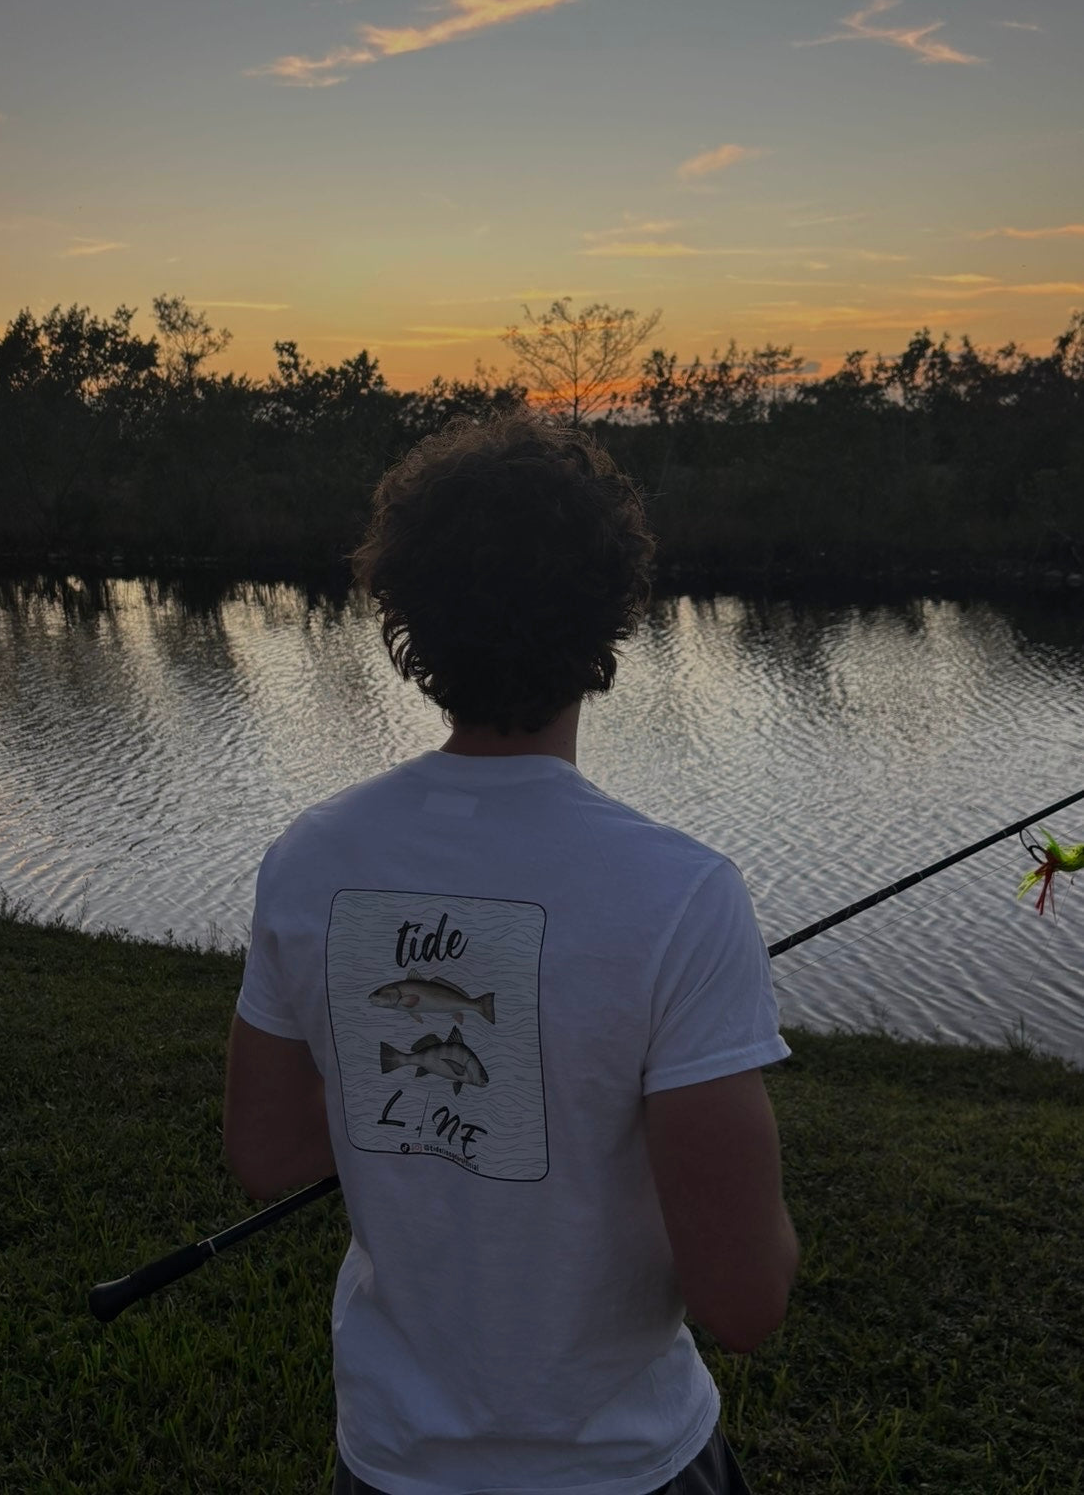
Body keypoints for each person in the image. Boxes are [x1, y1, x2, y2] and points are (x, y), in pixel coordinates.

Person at [224, 410, 799, 1495]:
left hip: (390, 1463)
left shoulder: (311, 858)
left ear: (407, 619)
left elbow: (268, 1152)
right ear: (611, 615)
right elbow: (744, 1302)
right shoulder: (682, 895)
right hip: (627, 1468)